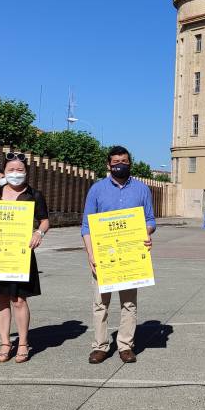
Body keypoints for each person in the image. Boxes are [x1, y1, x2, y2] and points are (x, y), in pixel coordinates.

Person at [81, 145, 156, 364]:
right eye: (115, 163)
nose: (119, 166)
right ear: (108, 165)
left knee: (129, 304)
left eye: (123, 162)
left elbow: (150, 220)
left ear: (129, 163)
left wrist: (146, 233)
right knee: (100, 304)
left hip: (131, 256)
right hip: (104, 256)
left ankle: (125, 345)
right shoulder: (97, 189)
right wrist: (91, 254)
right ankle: (101, 346)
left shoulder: (142, 189)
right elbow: (86, 225)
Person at [0, 154, 49, 363]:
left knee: (18, 300)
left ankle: (23, 342)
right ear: (4, 172)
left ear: (26, 172)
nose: (15, 174)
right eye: (11, 170)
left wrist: (39, 234)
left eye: (20, 170)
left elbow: (44, 221)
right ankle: (5, 342)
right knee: (0, 298)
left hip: (20, 254)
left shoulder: (34, 195)